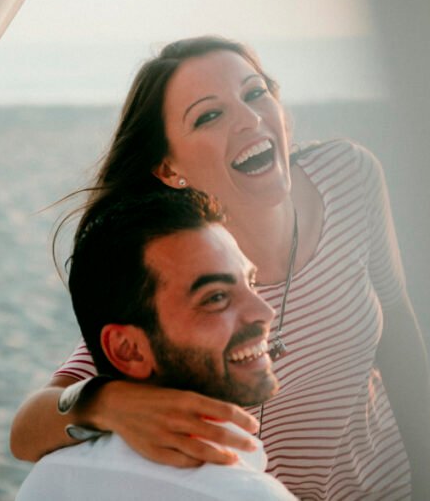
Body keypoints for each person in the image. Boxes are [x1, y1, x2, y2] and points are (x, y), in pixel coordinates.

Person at [10, 36, 430, 500]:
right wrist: (107, 401)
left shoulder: (351, 176)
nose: (249, 118)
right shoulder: (188, 275)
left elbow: (397, 324)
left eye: (256, 93)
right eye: (209, 115)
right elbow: (25, 432)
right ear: (167, 166)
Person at [16, 189, 296, 500]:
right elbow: (23, 431)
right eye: (216, 297)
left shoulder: (44, 482)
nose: (265, 313)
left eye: (251, 283)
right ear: (128, 350)